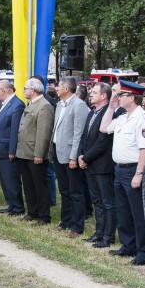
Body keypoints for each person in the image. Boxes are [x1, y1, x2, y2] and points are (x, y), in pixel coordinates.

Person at [99, 80, 145, 265]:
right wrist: (110, 108)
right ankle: (128, 245)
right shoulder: (122, 116)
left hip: (134, 169)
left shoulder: (143, 118)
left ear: (131, 97)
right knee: (123, 210)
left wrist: (139, 173)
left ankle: (144, 250)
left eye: (121, 95)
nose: (118, 97)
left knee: (139, 212)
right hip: (120, 169)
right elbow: (104, 128)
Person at [50, 76, 90, 237]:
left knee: (76, 192)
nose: (56, 88)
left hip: (70, 154)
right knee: (64, 190)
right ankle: (65, 221)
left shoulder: (78, 105)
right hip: (58, 152)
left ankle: (77, 226)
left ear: (66, 89)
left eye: (59, 86)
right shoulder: (60, 104)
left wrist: (74, 157)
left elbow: (78, 133)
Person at [78, 82, 116, 247]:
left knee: (107, 202)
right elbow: (84, 137)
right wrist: (81, 155)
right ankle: (99, 233)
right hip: (90, 164)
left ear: (104, 96)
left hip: (102, 165)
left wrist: (86, 158)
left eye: (94, 92)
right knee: (97, 201)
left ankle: (108, 236)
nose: (90, 94)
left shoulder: (110, 113)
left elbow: (103, 142)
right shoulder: (92, 112)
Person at [17, 78, 55, 224]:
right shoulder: (32, 103)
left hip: (35, 153)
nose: (24, 90)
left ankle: (44, 215)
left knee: (39, 185)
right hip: (25, 151)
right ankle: (32, 211)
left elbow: (43, 132)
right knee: (28, 184)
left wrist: (39, 153)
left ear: (32, 90)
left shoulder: (44, 106)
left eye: (25, 88)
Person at [0, 80, 25, 216]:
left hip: (7, 150)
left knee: (11, 180)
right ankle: (11, 204)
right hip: (0, 148)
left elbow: (15, 130)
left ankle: (17, 207)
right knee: (4, 180)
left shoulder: (17, 105)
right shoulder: (5, 104)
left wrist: (12, 150)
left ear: (4, 91)